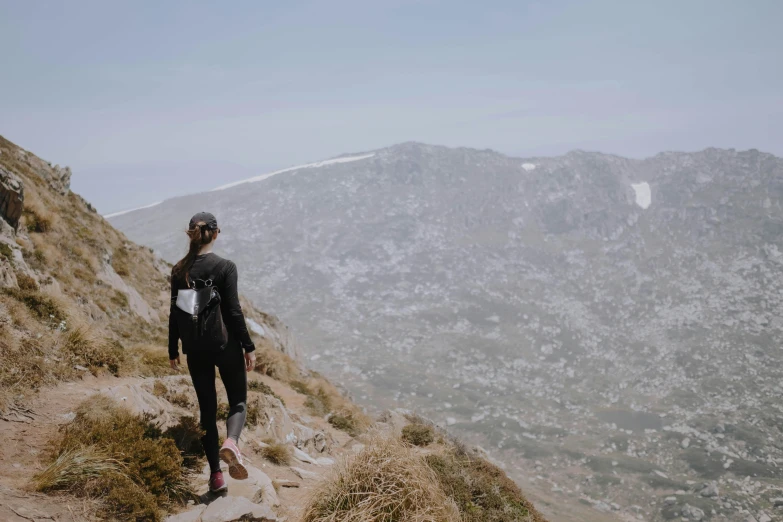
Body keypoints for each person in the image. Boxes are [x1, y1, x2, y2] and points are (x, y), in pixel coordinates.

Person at [168, 212, 257, 494]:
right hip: (225, 346)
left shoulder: (179, 270)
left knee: (207, 411)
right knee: (238, 401)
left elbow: (174, 312)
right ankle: (231, 442)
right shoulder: (225, 267)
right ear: (216, 233)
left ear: (190, 234)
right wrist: (248, 346)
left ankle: (216, 477)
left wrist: (173, 349)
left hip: (195, 350)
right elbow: (233, 311)